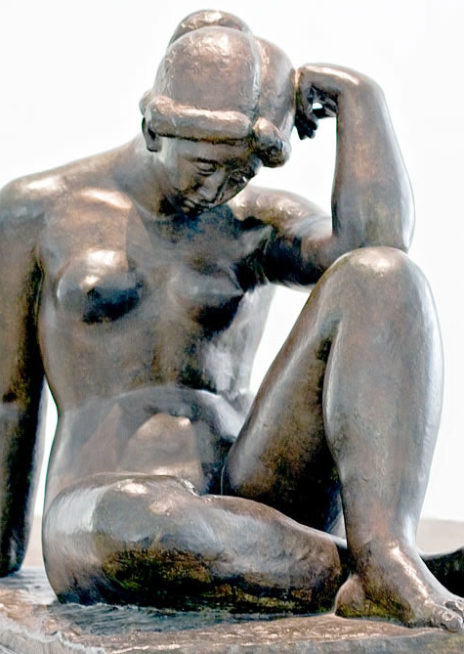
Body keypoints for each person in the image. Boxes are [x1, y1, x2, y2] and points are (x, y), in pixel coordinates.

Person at [0, 9, 462, 630]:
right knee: (137, 521)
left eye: (240, 172)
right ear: (153, 128)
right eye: (204, 166)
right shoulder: (38, 210)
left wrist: (361, 100)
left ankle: (385, 554)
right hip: (108, 507)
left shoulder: (254, 221)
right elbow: (9, 398)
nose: (219, 188)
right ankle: (362, 572)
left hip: (253, 492)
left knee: (382, 273)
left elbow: (379, 252)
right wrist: (2, 549)